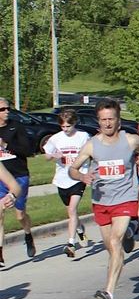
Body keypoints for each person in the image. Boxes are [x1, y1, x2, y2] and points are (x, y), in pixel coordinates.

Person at [68, 101, 139, 299]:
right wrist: (82, 175)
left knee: (115, 242)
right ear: (98, 122)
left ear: (118, 121)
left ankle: (108, 292)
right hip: (101, 201)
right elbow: (72, 169)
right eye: (103, 120)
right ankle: (131, 230)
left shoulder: (130, 140)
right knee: (111, 248)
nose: (107, 123)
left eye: (111, 119)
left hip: (125, 198)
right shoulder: (92, 144)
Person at [43, 110, 93, 257]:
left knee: (72, 210)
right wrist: (53, 156)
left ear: (74, 123)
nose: (65, 129)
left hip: (78, 178)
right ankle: (80, 230)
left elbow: (92, 153)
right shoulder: (56, 138)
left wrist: (88, 172)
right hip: (62, 179)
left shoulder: (83, 136)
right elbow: (46, 155)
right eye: (63, 127)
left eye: (68, 126)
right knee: (71, 212)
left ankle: (71, 244)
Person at [0, 97, 35, 261]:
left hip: (19, 175)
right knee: (0, 213)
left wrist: (6, 146)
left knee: (20, 215)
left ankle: (28, 235)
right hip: (1, 178)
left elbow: (28, 150)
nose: (6, 112)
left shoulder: (16, 126)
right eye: (2, 109)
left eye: (7, 108)